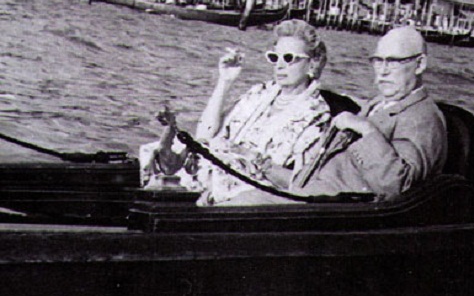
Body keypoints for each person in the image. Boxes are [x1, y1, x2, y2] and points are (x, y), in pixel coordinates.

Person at [227, 26, 448, 204]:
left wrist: (366, 130)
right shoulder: (378, 105)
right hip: (308, 194)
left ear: (420, 64)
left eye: (394, 61)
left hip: (335, 213)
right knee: (226, 194)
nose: (383, 70)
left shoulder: (422, 118)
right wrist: (263, 166)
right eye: (378, 61)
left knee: (239, 205)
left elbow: (396, 187)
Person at [139, 19, 331, 205]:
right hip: (218, 167)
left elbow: (300, 182)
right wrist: (225, 82)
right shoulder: (259, 93)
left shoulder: (316, 114)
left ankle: (173, 194)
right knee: (151, 151)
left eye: (289, 58)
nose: (279, 65)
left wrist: (252, 158)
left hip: (253, 185)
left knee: (197, 177)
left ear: (312, 64)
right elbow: (205, 135)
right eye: (274, 57)